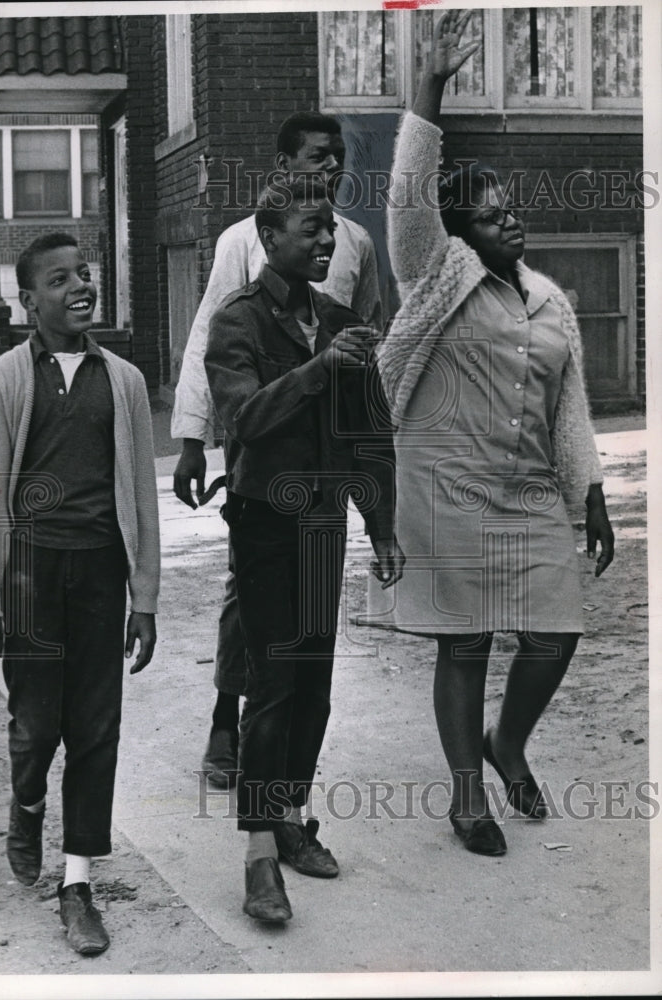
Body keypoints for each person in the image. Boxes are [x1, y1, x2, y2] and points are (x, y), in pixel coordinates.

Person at [372, 12, 615, 856]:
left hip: (528, 491)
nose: (509, 224)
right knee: (466, 642)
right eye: (488, 216)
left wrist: (590, 491)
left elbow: (568, 408)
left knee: (555, 634)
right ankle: (468, 795)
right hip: (445, 490)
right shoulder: (434, 276)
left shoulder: (549, 300)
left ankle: (507, 743)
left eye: (510, 213)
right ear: (456, 234)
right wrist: (430, 88)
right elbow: (409, 194)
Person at [204, 176, 403, 922]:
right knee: (275, 681)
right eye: (312, 229)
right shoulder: (239, 324)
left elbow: (370, 437)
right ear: (270, 238)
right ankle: (259, 854)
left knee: (315, 681)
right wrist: (319, 367)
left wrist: (381, 526)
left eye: (331, 230)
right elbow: (244, 420)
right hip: (262, 524)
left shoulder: (343, 319)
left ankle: (289, 815)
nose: (327, 241)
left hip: (324, 525)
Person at [171, 111, 383, 789]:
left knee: (311, 639)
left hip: (322, 463)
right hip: (263, 453)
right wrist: (192, 441)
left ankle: (287, 792)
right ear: (286, 163)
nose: (331, 168)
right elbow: (215, 336)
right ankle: (224, 721)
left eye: (338, 158)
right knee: (253, 601)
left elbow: (367, 333)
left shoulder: (354, 243)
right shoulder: (244, 240)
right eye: (318, 157)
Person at [0, 232, 160, 954]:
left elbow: (141, 495)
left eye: (85, 274)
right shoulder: (7, 379)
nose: (81, 286)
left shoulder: (128, 382)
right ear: (28, 300)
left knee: (96, 730)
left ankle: (77, 885)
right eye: (59, 279)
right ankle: (25, 803)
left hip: (101, 573)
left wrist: (145, 598)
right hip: (30, 574)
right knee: (35, 727)